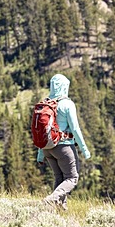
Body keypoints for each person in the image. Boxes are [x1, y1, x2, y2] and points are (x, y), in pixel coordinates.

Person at [37, 73, 91, 209]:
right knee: (72, 178)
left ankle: (61, 208)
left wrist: (40, 155)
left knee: (59, 178)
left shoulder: (46, 104)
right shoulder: (67, 104)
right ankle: (51, 199)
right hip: (64, 147)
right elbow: (75, 129)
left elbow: (43, 131)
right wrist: (84, 150)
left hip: (48, 148)